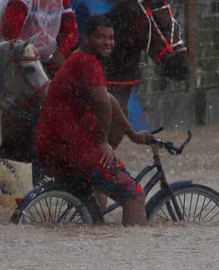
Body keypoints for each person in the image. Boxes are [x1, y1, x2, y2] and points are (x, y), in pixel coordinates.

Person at [35, 14, 152, 226]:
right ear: (86, 38)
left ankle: (97, 236)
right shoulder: (88, 63)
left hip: (53, 148)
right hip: (73, 149)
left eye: (111, 38)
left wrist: (133, 135)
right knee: (134, 196)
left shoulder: (77, 60)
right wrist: (102, 142)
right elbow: (102, 104)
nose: (108, 43)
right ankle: (138, 257)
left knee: (99, 195)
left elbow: (108, 100)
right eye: (101, 37)